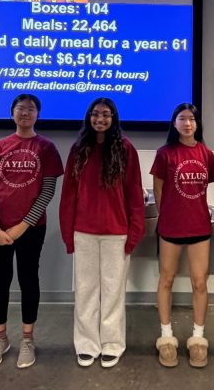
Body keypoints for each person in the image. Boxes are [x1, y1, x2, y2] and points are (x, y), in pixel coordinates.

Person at [0, 94, 63, 370]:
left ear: (38, 114)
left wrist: (22, 225)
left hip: (31, 228)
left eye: (30, 109)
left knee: (29, 280)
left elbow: (47, 190)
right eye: (20, 109)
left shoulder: (46, 148)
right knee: (0, 282)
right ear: (11, 113)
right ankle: (0, 339)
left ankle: (28, 339)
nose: (25, 113)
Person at [59, 98, 145, 368]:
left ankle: (111, 344)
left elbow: (134, 194)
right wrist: (67, 233)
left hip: (116, 233)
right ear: (88, 117)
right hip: (83, 231)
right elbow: (68, 195)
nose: (100, 119)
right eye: (95, 114)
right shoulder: (78, 149)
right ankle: (86, 344)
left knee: (113, 292)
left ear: (114, 118)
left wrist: (134, 233)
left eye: (106, 115)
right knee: (85, 291)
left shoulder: (126, 149)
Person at [151, 102, 214, 368]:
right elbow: (158, 190)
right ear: (174, 123)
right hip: (170, 228)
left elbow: (205, 189)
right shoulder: (164, 153)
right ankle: (166, 337)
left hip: (200, 227)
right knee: (166, 280)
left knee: (199, 283)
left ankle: (198, 338)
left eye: (192, 119)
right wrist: (165, 216)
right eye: (182, 118)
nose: (187, 123)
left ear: (197, 123)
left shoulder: (207, 154)